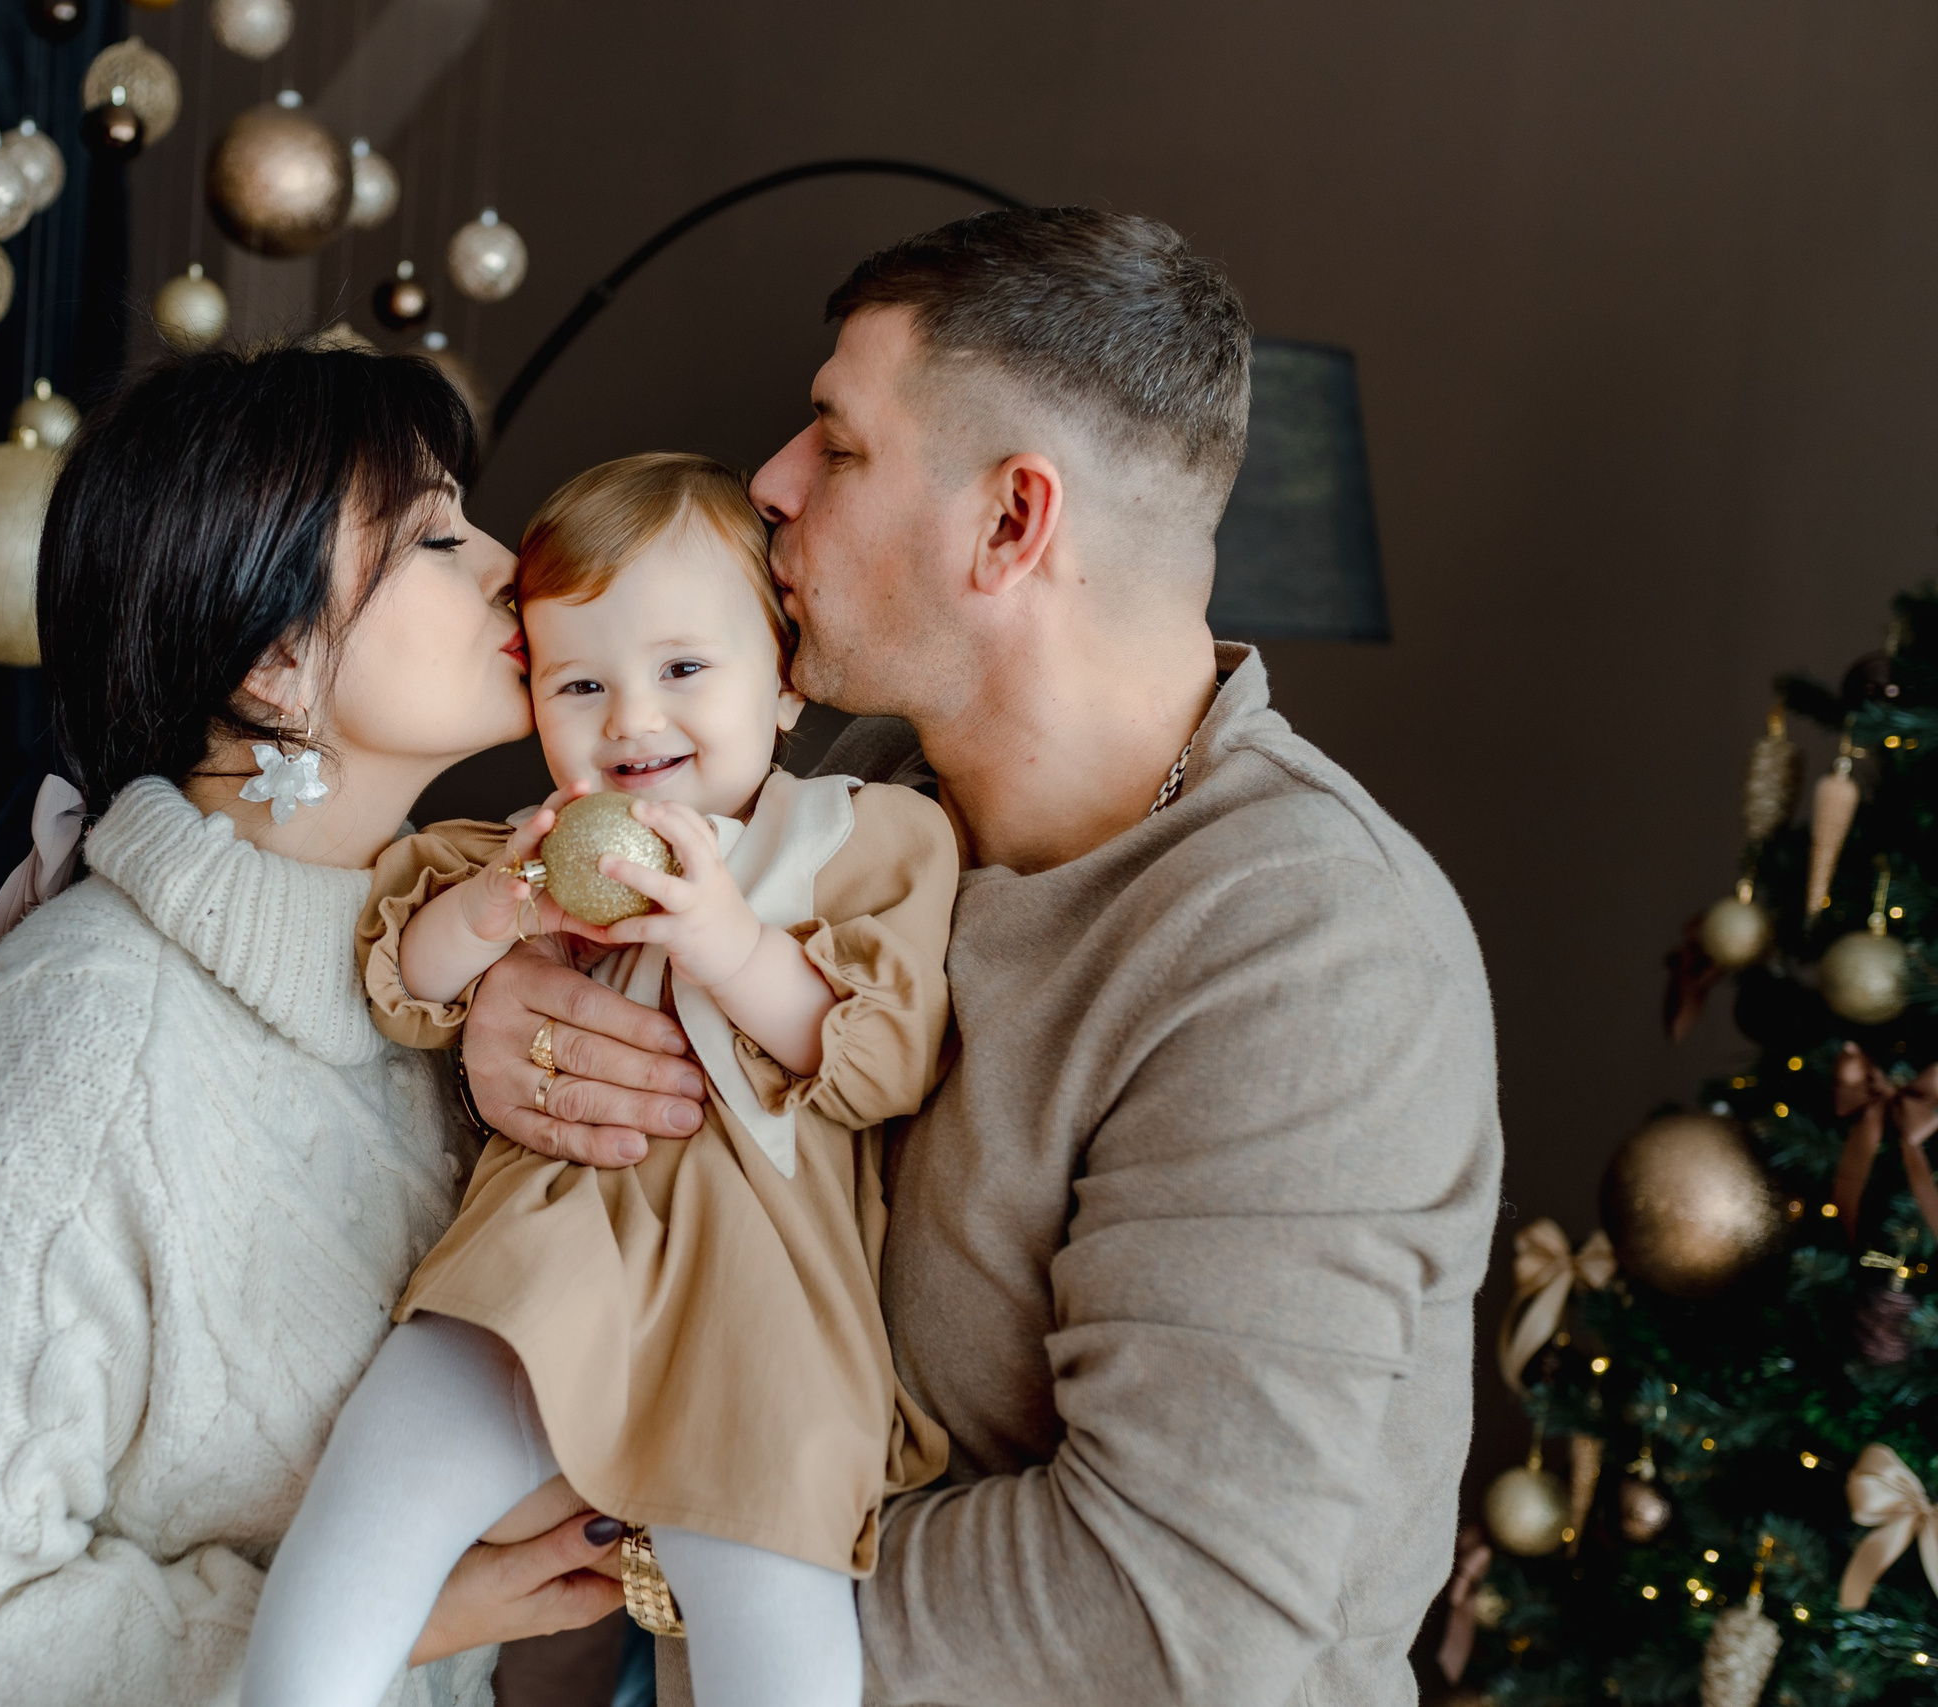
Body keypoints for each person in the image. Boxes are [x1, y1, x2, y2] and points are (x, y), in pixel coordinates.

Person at [458, 208, 1503, 1704]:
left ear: (1013, 522)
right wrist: (509, 1019)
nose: (767, 483)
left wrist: (657, 1563)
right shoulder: (851, 795)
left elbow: (1160, 1610)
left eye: (837, 441)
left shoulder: (1307, 957)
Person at [0, 346, 626, 1707]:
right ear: (274, 663)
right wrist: (385, 1610)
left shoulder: (465, 995)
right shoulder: (74, 1048)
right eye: (430, 535)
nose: (506, 561)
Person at [239, 453, 955, 1707]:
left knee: (779, 1628)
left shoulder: (860, 838)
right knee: (371, 1503)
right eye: (581, 683)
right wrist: (496, 908)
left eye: (683, 670)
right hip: (544, 1271)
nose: (631, 720)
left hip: (759, 1307)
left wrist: (726, 941)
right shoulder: (532, 848)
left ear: (783, 685)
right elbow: (400, 973)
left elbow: (882, 1058)